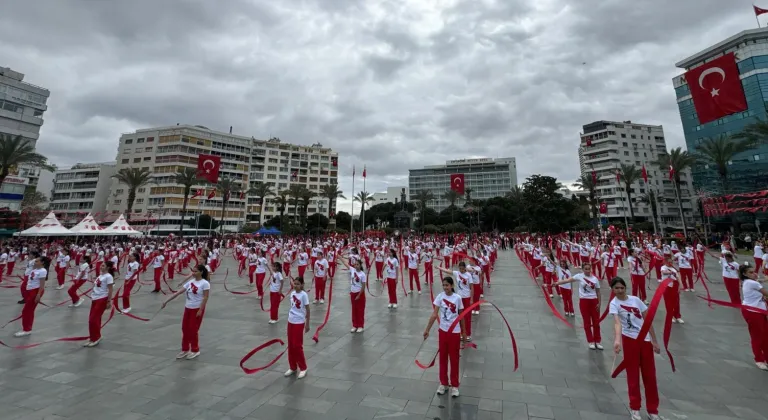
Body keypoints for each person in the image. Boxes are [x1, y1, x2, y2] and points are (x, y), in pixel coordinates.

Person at [609, 277, 663, 420]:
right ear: (612, 290)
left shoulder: (635, 300)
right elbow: (617, 323)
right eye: (617, 288)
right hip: (630, 341)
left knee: (650, 376)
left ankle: (653, 410)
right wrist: (617, 340)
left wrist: (654, 341)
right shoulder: (614, 304)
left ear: (625, 288)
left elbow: (647, 320)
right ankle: (635, 408)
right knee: (633, 375)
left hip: (644, 340)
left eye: (622, 287)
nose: (620, 290)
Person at [423, 276, 466, 398]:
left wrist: (464, 332)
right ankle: (443, 383)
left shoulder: (457, 298)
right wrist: (427, 329)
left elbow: (461, 316)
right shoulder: (440, 297)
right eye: (444, 285)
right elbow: (434, 314)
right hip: (443, 331)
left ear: (452, 286)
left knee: (454, 359)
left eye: (447, 285)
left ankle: (455, 385)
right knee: (442, 358)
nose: (445, 287)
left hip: (454, 332)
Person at [162, 264, 210, 360]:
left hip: (196, 308)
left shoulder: (205, 283)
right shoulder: (190, 282)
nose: (193, 273)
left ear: (201, 272)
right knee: (185, 328)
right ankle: (185, 349)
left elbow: (205, 297)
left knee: (193, 329)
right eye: (193, 271)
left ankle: (195, 349)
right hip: (187, 308)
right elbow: (179, 292)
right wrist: (166, 301)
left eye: (196, 271)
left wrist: (200, 309)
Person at [553, 262, 603, 349]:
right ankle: (590, 341)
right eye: (586, 269)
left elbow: (598, 292)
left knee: (596, 322)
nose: (588, 271)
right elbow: (567, 280)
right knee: (587, 322)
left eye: (589, 269)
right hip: (584, 301)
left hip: (594, 301)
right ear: (583, 269)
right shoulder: (579, 276)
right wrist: (557, 283)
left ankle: (597, 341)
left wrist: (599, 303)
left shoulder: (595, 279)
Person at [738, 264, 768, 370]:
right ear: (744, 274)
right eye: (750, 272)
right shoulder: (751, 283)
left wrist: (763, 279)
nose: (754, 273)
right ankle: (759, 359)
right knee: (757, 336)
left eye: (754, 271)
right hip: (753, 312)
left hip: (759, 311)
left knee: (765, 335)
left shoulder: (749, 282)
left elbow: (760, 282)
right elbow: (766, 293)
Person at [15, 256, 50, 337]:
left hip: (35, 291)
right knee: (29, 310)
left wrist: (38, 295)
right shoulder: (35, 269)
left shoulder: (42, 271)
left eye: (37, 261)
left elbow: (42, 285)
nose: (35, 262)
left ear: (42, 263)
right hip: (30, 290)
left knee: (27, 311)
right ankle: (27, 328)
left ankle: (27, 329)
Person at [83, 260, 115, 347]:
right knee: (94, 319)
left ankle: (95, 338)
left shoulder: (109, 277)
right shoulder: (100, 275)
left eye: (103, 266)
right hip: (95, 298)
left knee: (93, 320)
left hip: (102, 299)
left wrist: (109, 301)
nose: (101, 267)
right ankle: (94, 337)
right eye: (101, 265)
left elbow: (110, 289)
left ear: (108, 268)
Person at [285, 276, 310, 379]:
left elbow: (308, 310)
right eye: (294, 284)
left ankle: (303, 367)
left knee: (297, 345)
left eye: (298, 284)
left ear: (302, 285)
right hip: (290, 320)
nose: (295, 286)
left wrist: (307, 324)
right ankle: (293, 366)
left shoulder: (304, 295)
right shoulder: (292, 293)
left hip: (299, 322)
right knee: (290, 345)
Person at [661, 255, 683, 324]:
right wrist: (670, 272)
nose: (671, 263)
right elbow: (663, 272)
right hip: (666, 286)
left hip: (675, 286)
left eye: (671, 262)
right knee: (668, 302)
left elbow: (678, 277)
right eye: (669, 262)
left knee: (676, 301)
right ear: (666, 262)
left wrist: (680, 285)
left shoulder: (674, 269)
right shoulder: (663, 267)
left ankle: (678, 316)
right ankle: (670, 316)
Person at [349, 260, 367, 333]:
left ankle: (360, 326)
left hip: (360, 294)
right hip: (352, 293)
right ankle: (354, 325)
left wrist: (359, 295)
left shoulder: (362, 274)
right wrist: (339, 256)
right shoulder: (352, 270)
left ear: (360, 265)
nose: (356, 266)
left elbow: (363, 286)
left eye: (357, 264)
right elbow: (345, 263)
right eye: (355, 264)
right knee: (354, 310)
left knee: (360, 310)